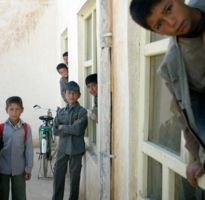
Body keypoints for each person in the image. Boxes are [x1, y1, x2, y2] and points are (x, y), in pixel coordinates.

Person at [130, 0, 205, 188]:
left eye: (169, 8)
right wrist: (197, 157)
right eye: (160, 24)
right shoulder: (173, 66)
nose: (172, 22)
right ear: (157, 33)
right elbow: (185, 113)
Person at [52, 81, 88, 200]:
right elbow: (55, 131)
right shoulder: (60, 112)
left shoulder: (82, 112)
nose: (72, 95)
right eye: (69, 93)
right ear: (65, 94)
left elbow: (78, 130)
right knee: (58, 176)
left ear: (79, 95)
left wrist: (63, 127)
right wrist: (71, 127)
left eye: (74, 93)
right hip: (62, 149)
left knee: (74, 178)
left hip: (76, 150)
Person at [0, 96, 33, 200]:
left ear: (22, 110)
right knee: (2, 194)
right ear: (6, 110)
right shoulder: (2, 128)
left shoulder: (26, 128)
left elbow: (29, 149)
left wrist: (28, 168)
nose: (14, 112)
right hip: (2, 169)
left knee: (20, 195)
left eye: (17, 109)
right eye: (11, 109)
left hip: (19, 169)